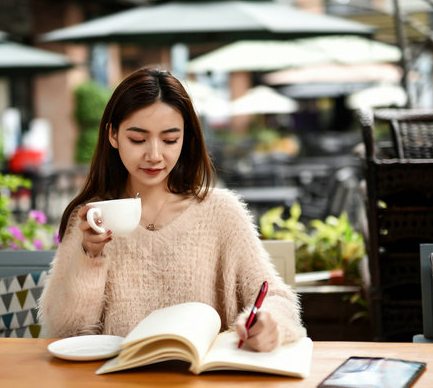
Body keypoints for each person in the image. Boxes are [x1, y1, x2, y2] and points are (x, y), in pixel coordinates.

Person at [38, 67, 305, 352]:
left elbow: (277, 298)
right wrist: (90, 256)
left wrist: (269, 323)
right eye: (138, 139)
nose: (154, 155)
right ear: (113, 135)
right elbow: (65, 333)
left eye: (169, 140)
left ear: (186, 139)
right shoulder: (92, 217)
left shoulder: (222, 213)